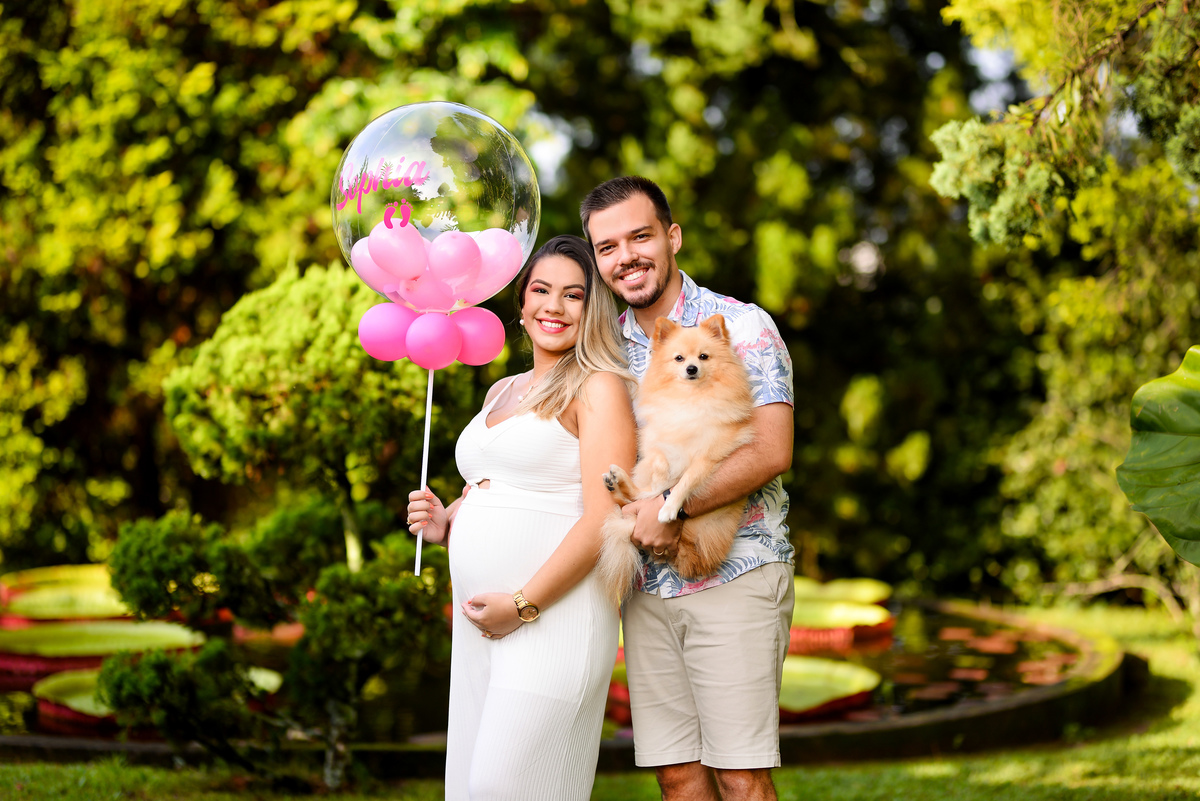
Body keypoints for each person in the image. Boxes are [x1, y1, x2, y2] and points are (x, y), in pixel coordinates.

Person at [581, 176, 796, 801]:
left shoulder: (742, 326)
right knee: (677, 778)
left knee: (740, 775)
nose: (627, 257)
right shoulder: (603, 348)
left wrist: (672, 510)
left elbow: (770, 449)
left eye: (640, 236)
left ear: (671, 237)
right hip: (646, 585)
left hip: (736, 569)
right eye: (608, 247)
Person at [404, 235, 637, 801]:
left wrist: (524, 604)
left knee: (503, 787)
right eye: (540, 290)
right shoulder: (503, 389)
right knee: (468, 786)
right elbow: (507, 489)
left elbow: (606, 519)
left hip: (551, 616)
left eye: (574, 295)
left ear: (595, 309)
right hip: (486, 625)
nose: (553, 307)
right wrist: (448, 523)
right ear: (521, 300)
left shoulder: (598, 387)